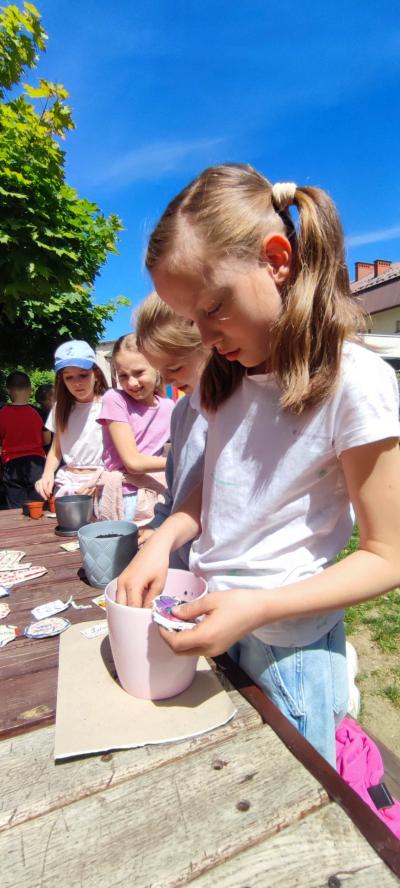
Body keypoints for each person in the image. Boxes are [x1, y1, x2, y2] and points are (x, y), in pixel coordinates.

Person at [117, 163, 400, 766]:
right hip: (220, 623)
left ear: (278, 260)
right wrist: (163, 537)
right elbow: (214, 492)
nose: (206, 335)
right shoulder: (225, 379)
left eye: (214, 307)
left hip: (289, 652)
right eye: (192, 320)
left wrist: (258, 605)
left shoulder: (355, 383)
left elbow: (387, 557)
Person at [134, 292, 208, 566]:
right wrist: (158, 525)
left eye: (175, 366)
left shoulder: (234, 412)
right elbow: (175, 488)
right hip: (178, 561)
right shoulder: (181, 411)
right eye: (159, 371)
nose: (166, 380)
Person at [97, 334, 174, 521]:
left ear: (157, 367)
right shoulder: (115, 399)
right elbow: (133, 463)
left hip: (156, 493)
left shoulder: (170, 407)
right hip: (124, 497)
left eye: (139, 372)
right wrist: (180, 461)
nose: (131, 383)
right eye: (123, 375)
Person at [35, 340, 108, 499]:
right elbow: (56, 449)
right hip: (68, 483)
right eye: (69, 377)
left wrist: (102, 479)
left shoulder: (110, 405)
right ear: (62, 380)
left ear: (96, 373)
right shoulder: (60, 408)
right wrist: (47, 475)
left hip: (102, 482)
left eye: (83, 374)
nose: (77, 383)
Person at [0, 371, 49, 507]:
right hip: (36, 463)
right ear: (30, 389)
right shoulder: (39, 413)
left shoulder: (1, 413)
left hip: (11, 465)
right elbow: (47, 440)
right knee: (39, 506)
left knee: (16, 508)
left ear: (8, 390)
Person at [35, 383, 55, 454]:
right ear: (49, 399)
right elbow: (47, 441)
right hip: (50, 453)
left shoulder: (37, 413)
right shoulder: (47, 415)